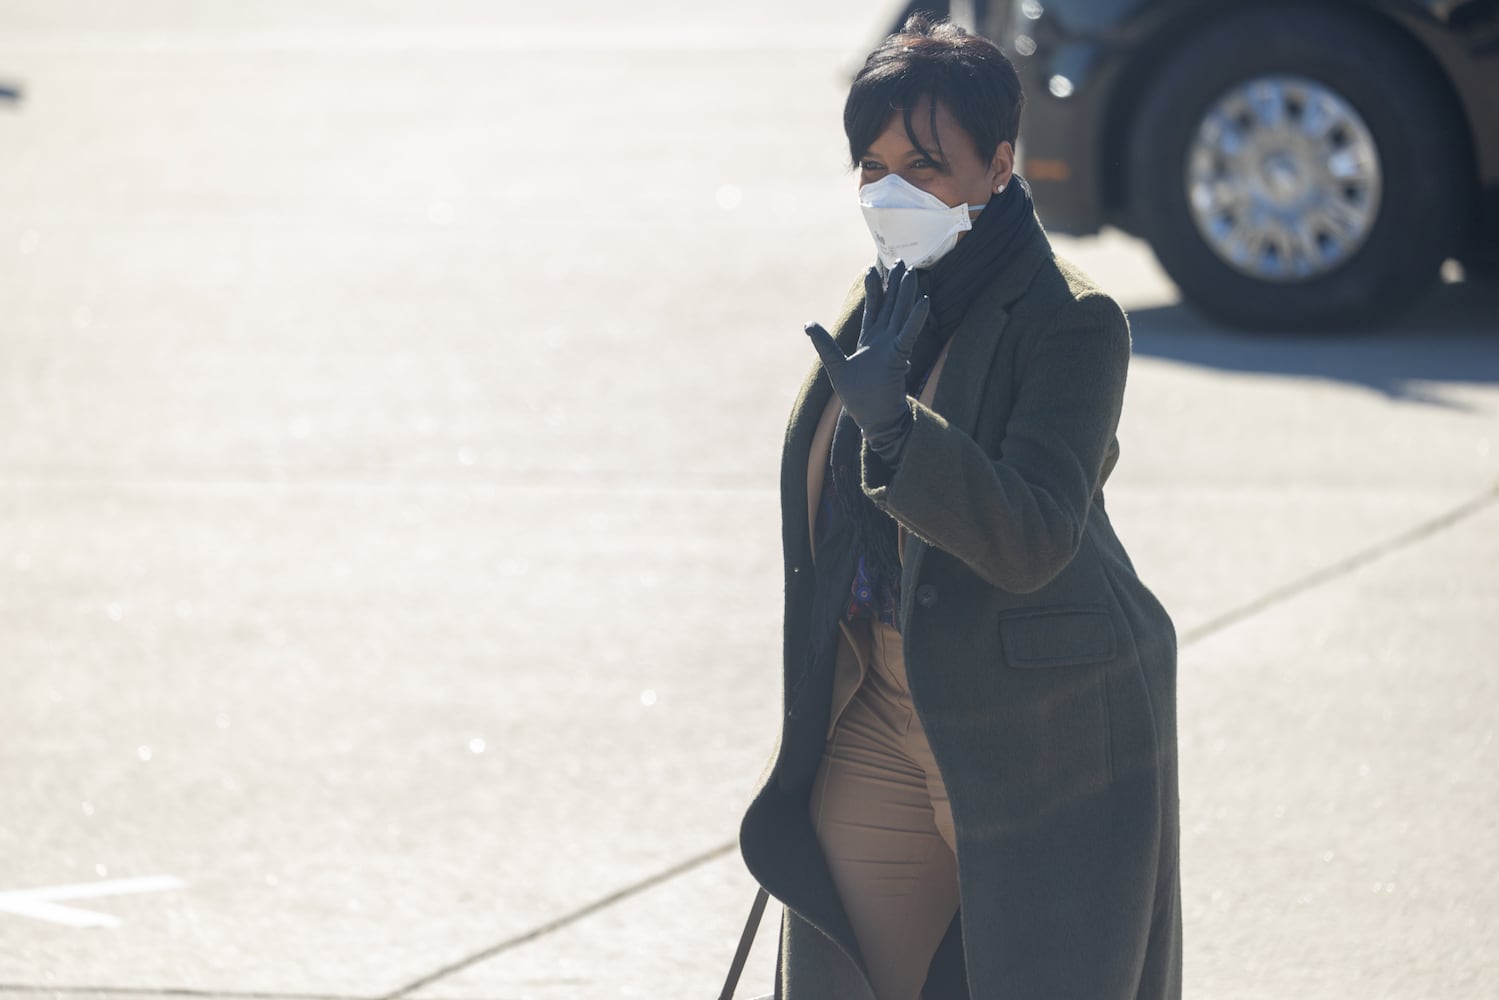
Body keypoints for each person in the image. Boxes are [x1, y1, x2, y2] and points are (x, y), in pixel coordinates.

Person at [739, 15, 1181, 1000]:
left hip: (1042, 726)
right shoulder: (884, 295)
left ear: (997, 165)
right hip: (883, 704)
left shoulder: (1071, 321)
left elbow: (1030, 535)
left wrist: (898, 433)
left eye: (925, 164)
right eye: (871, 164)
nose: (891, 191)